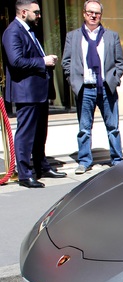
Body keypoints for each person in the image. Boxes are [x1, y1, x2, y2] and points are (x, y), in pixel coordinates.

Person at [1, 0, 66, 188]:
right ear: (23, 12)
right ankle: (24, 174)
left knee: (39, 133)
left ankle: (41, 166)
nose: (39, 15)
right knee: (26, 134)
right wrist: (43, 61)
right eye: (36, 12)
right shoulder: (13, 32)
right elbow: (16, 62)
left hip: (38, 92)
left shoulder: (29, 30)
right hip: (26, 92)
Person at [62, 0, 123, 175]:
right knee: (84, 128)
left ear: (101, 15)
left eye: (97, 13)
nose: (93, 15)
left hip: (106, 88)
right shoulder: (73, 36)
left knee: (113, 127)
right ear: (84, 13)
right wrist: (72, 80)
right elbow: (66, 62)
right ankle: (84, 161)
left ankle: (117, 159)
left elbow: (119, 62)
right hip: (85, 89)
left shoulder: (111, 36)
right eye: (90, 12)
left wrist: (115, 79)